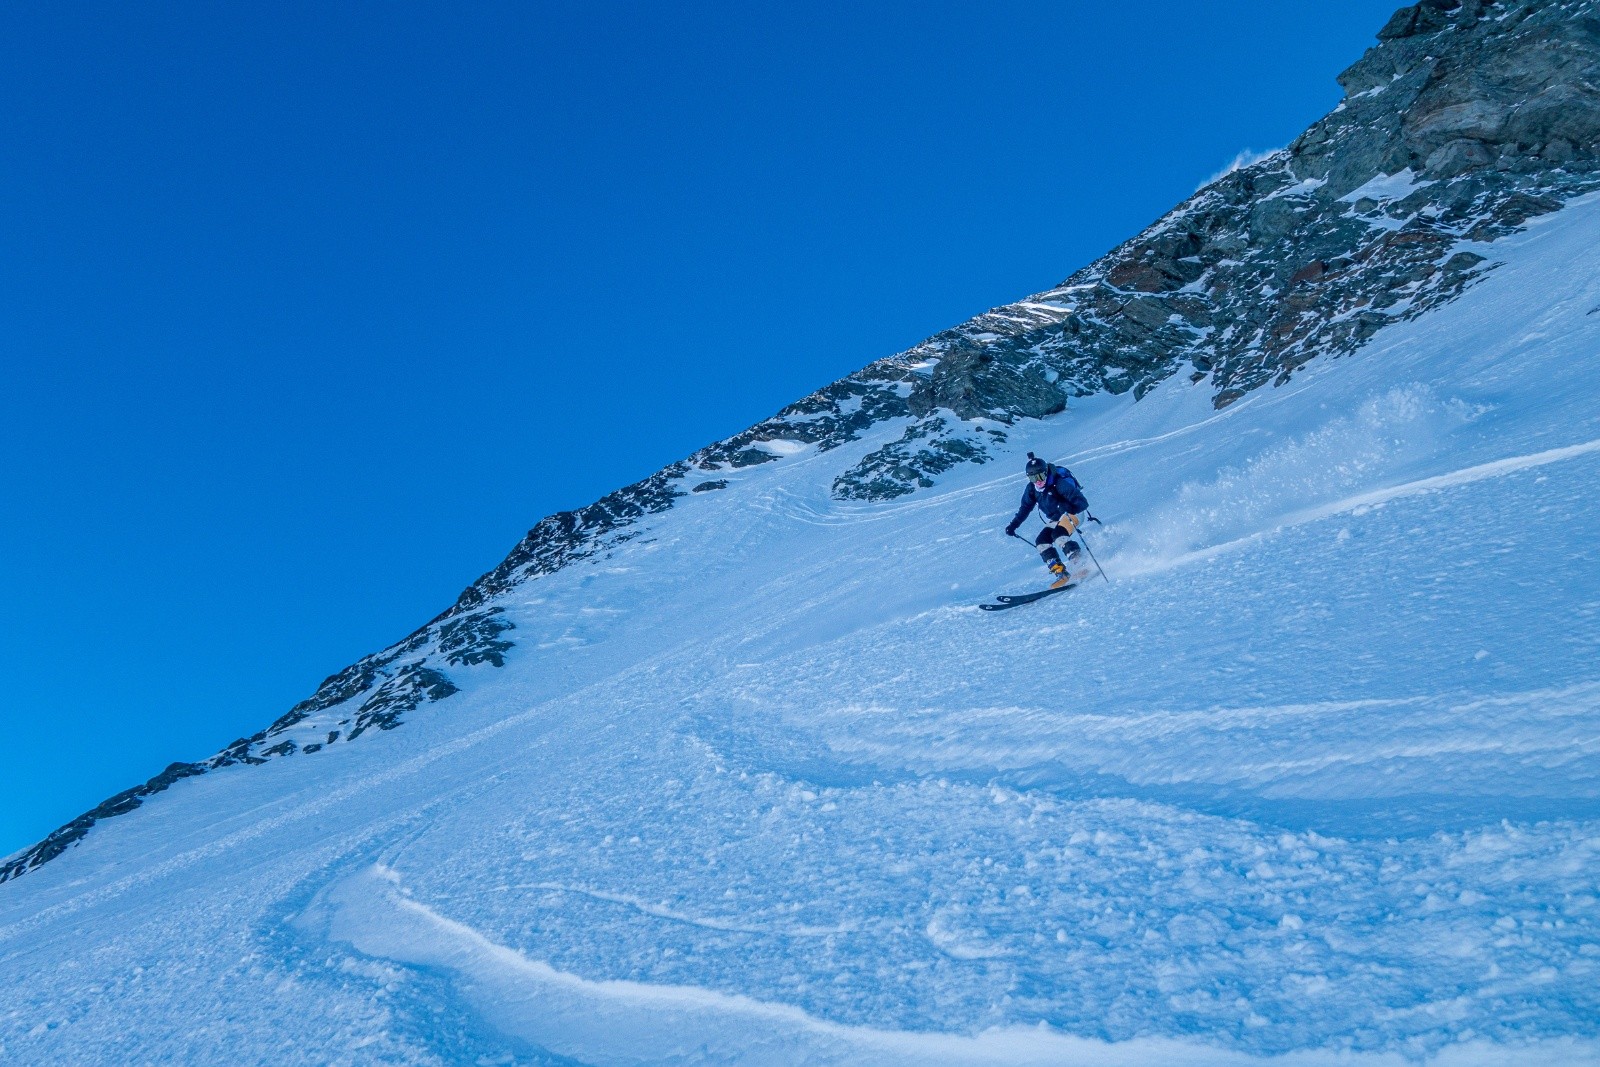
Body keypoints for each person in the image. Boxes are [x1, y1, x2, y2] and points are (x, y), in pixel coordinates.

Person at [1004, 453, 1089, 588]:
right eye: (1033, 478)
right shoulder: (1032, 489)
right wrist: (1013, 525)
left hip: (1074, 514)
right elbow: (1025, 508)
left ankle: (1080, 564)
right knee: (1041, 541)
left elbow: (1082, 502)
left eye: (1040, 476)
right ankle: (1061, 573)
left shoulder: (1058, 483)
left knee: (1059, 536)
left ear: (1046, 472)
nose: (1038, 481)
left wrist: (1067, 506)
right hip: (1057, 518)